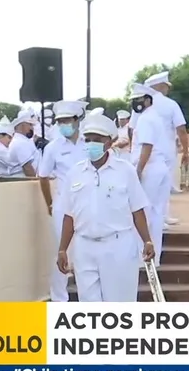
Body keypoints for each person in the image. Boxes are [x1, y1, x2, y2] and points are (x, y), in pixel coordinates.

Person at [55, 113, 156, 302]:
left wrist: (147, 241)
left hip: (118, 246)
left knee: (119, 304)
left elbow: (137, 210)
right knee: (89, 305)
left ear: (109, 142)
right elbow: (69, 215)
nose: (91, 144)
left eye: (97, 140)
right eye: (88, 139)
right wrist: (62, 249)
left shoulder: (125, 171)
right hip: (85, 246)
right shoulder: (75, 173)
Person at [37, 100, 88, 302]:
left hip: (88, 205)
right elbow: (43, 176)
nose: (63, 125)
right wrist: (50, 203)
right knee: (62, 250)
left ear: (77, 120)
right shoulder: (53, 148)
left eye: (67, 120)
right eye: (60, 122)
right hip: (63, 205)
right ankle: (59, 299)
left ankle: (88, 297)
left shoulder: (90, 143)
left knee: (86, 250)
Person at [128, 84, 171, 264]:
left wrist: (138, 170)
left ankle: (142, 256)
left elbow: (147, 146)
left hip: (148, 168)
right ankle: (155, 257)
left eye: (139, 99)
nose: (136, 103)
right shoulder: (155, 117)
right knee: (156, 213)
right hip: (159, 167)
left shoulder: (145, 119)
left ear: (148, 100)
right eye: (133, 100)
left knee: (143, 212)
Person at [143, 71, 189, 226]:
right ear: (160, 86)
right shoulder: (171, 104)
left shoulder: (141, 104)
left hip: (145, 149)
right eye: (166, 86)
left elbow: (132, 129)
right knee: (164, 185)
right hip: (166, 149)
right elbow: (181, 129)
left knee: (147, 186)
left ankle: (148, 218)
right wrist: (185, 151)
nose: (168, 89)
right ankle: (162, 216)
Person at [8, 111, 40, 177]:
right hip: (24, 183)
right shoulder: (20, 143)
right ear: (22, 125)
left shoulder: (24, 141)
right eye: (30, 125)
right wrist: (37, 182)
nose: (32, 128)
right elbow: (28, 168)